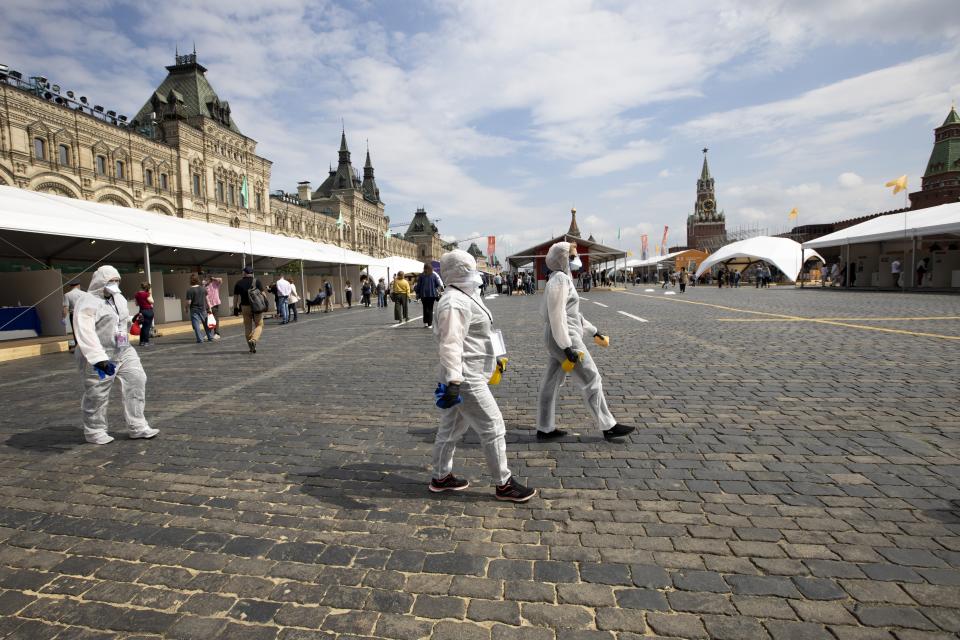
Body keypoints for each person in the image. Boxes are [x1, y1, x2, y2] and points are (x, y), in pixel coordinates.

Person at [430, 249, 536, 502]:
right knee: (493, 426)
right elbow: (450, 343)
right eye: (469, 268)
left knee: (451, 428)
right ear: (459, 272)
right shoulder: (453, 302)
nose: (474, 273)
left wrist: (497, 355)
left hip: (470, 372)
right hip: (466, 377)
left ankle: (441, 476)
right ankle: (504, 483)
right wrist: (455, 380)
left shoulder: (467, 295)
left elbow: (484, 331)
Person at [536, 241, 634, 442]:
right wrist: (567, 346)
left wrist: (594, 331)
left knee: (550, 382)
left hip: (560, 335)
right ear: (563, 259)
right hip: (565, 337)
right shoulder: (561, 280)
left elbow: (574, 315)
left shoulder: (560, 278)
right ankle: (608, 425)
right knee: (590, 377)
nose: (576, 259)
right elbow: (557, 316)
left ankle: (544, 427)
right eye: (573, 256)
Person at [72, 265, 158, 444]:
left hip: (123, 349)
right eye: (111, 281)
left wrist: (133, 320)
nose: (115, 284)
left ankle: (138, 426)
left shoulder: (118, 298)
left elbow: (121, 319)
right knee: (97, 393)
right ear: (100, 282)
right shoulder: (87, 302)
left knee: (137, 380)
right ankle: (95, 430)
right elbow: (84, 331)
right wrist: (98, 358)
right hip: (101, 354)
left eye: (117, 280)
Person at [233, 266, 265, 353]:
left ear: (244, 273)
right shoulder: (256, 281)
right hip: (256, 306)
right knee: (259, 325)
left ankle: (251, 348)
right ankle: (254, 340)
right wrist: (265, 304)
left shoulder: (238, 283)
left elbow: (235, 297)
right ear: (252, 273)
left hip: (245, 307)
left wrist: (235, 308)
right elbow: (263, 294)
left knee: (247, 327)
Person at [186, 275, 213, 343]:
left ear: (191, 280)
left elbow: (189, 302)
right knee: (206, 323)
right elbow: (207, 299)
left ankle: (200, 339)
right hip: (203, 309)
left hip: (194, 310)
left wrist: (186, 308)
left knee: (196, 325)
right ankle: (210, 336)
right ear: (198, 280)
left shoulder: (189, 290)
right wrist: (210, 307)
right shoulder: (203, 289)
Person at [415, 263, 443, 329]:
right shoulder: (433, 275)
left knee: (425, 308)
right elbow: (438, 284)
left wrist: (417, 293)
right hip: (432, 294)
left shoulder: (421, 276)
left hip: (423, 295)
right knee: (430, 309)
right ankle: (430, 324)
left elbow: (418, 286)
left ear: (424, 268)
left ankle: (425, 323)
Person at [63, 281, 85, 351]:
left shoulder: (67, 295)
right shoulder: (85, 294)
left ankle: (78, 347)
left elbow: (65, 308)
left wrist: (63, 318)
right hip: (84, 315)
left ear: (71, 286)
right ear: (78, 285)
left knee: (76, 331)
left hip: (74, 315)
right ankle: (86, 346)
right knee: (85, 330)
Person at [134, 282, 154, 347]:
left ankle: (141, 341)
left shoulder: (137, 294)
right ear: (148, 288)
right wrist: (150, 294)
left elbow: (136, 304)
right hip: (148, 311)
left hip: (141, 311)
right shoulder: (147, 294)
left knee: (143, 327)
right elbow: (152, 301)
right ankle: (146, 342)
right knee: (147, 327)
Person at [204, 275, 223, 340]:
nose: (206, 280)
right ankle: (209, 334)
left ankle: (217, 333)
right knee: (208, 319)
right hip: (208, 304)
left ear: (210, 279)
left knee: (215, 318)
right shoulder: (205, 286)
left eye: (207, 279)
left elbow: (220, 279)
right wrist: (204, 284)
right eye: (205, 279)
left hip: (215, 304)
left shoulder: (215, 283)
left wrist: (214, 278)